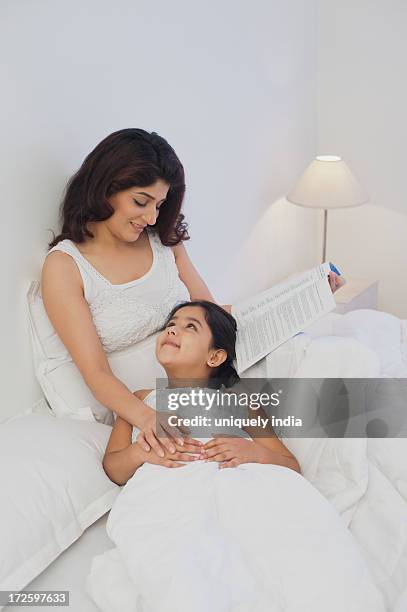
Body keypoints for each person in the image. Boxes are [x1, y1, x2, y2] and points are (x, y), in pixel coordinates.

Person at [42, 128, 342, 460]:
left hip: (215, 377)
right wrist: (148, 418)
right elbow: (95, 373)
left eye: (159, 204)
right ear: (104, 188)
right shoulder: (66, 267)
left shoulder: (162, 238)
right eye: (141, 202)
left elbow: (212, 313)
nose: (152, 217)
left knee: (337, 359)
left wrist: (302, 294)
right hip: (154, 403)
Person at [93, 301, 384, 612]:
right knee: (189, 564)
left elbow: (291, 465)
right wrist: (140, 452)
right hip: (171, 490)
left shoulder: (238, 401)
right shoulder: (139, 400)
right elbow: (114, 468)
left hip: (238, 482)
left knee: (276, 552)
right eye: (171, 324)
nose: (174, 329)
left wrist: (253, 450)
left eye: (191, 326)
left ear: (215, 356)